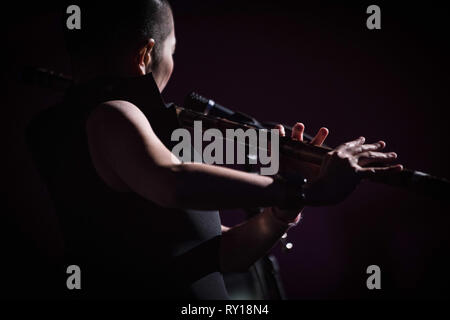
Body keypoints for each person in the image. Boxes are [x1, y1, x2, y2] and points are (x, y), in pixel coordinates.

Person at [27, 0, 402, 299]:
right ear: (146, 55)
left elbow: (221, 254)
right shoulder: (112, 114)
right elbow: (173, 183)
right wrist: (308, 190)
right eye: (172, 51)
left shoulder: (60, 127)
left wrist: (282, 210)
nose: (172, 65)